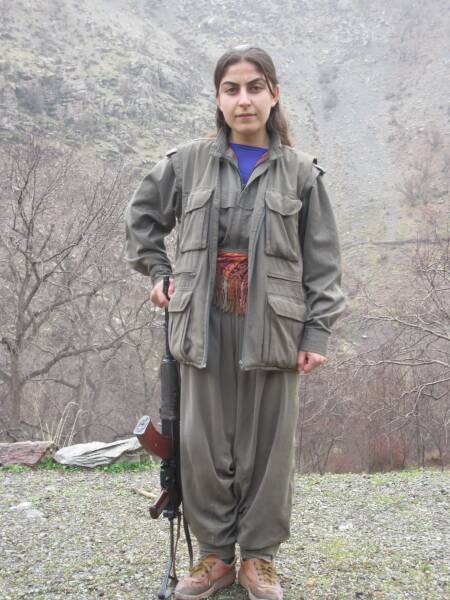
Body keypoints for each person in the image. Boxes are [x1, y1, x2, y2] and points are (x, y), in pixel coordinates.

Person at [125, 45, 345, 600]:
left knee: (267, 450)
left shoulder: (301, 174)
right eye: (232, 89)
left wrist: (317, 330)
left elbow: (323, 261)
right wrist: (159, 271)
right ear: (218, 99)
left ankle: (260, 559)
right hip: (201, 326)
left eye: (254, 87)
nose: (243, 99)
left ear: (274, 94)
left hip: (274, 327)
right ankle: (216, 557)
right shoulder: (187, 162)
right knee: (202, 447)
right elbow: (143, 218)